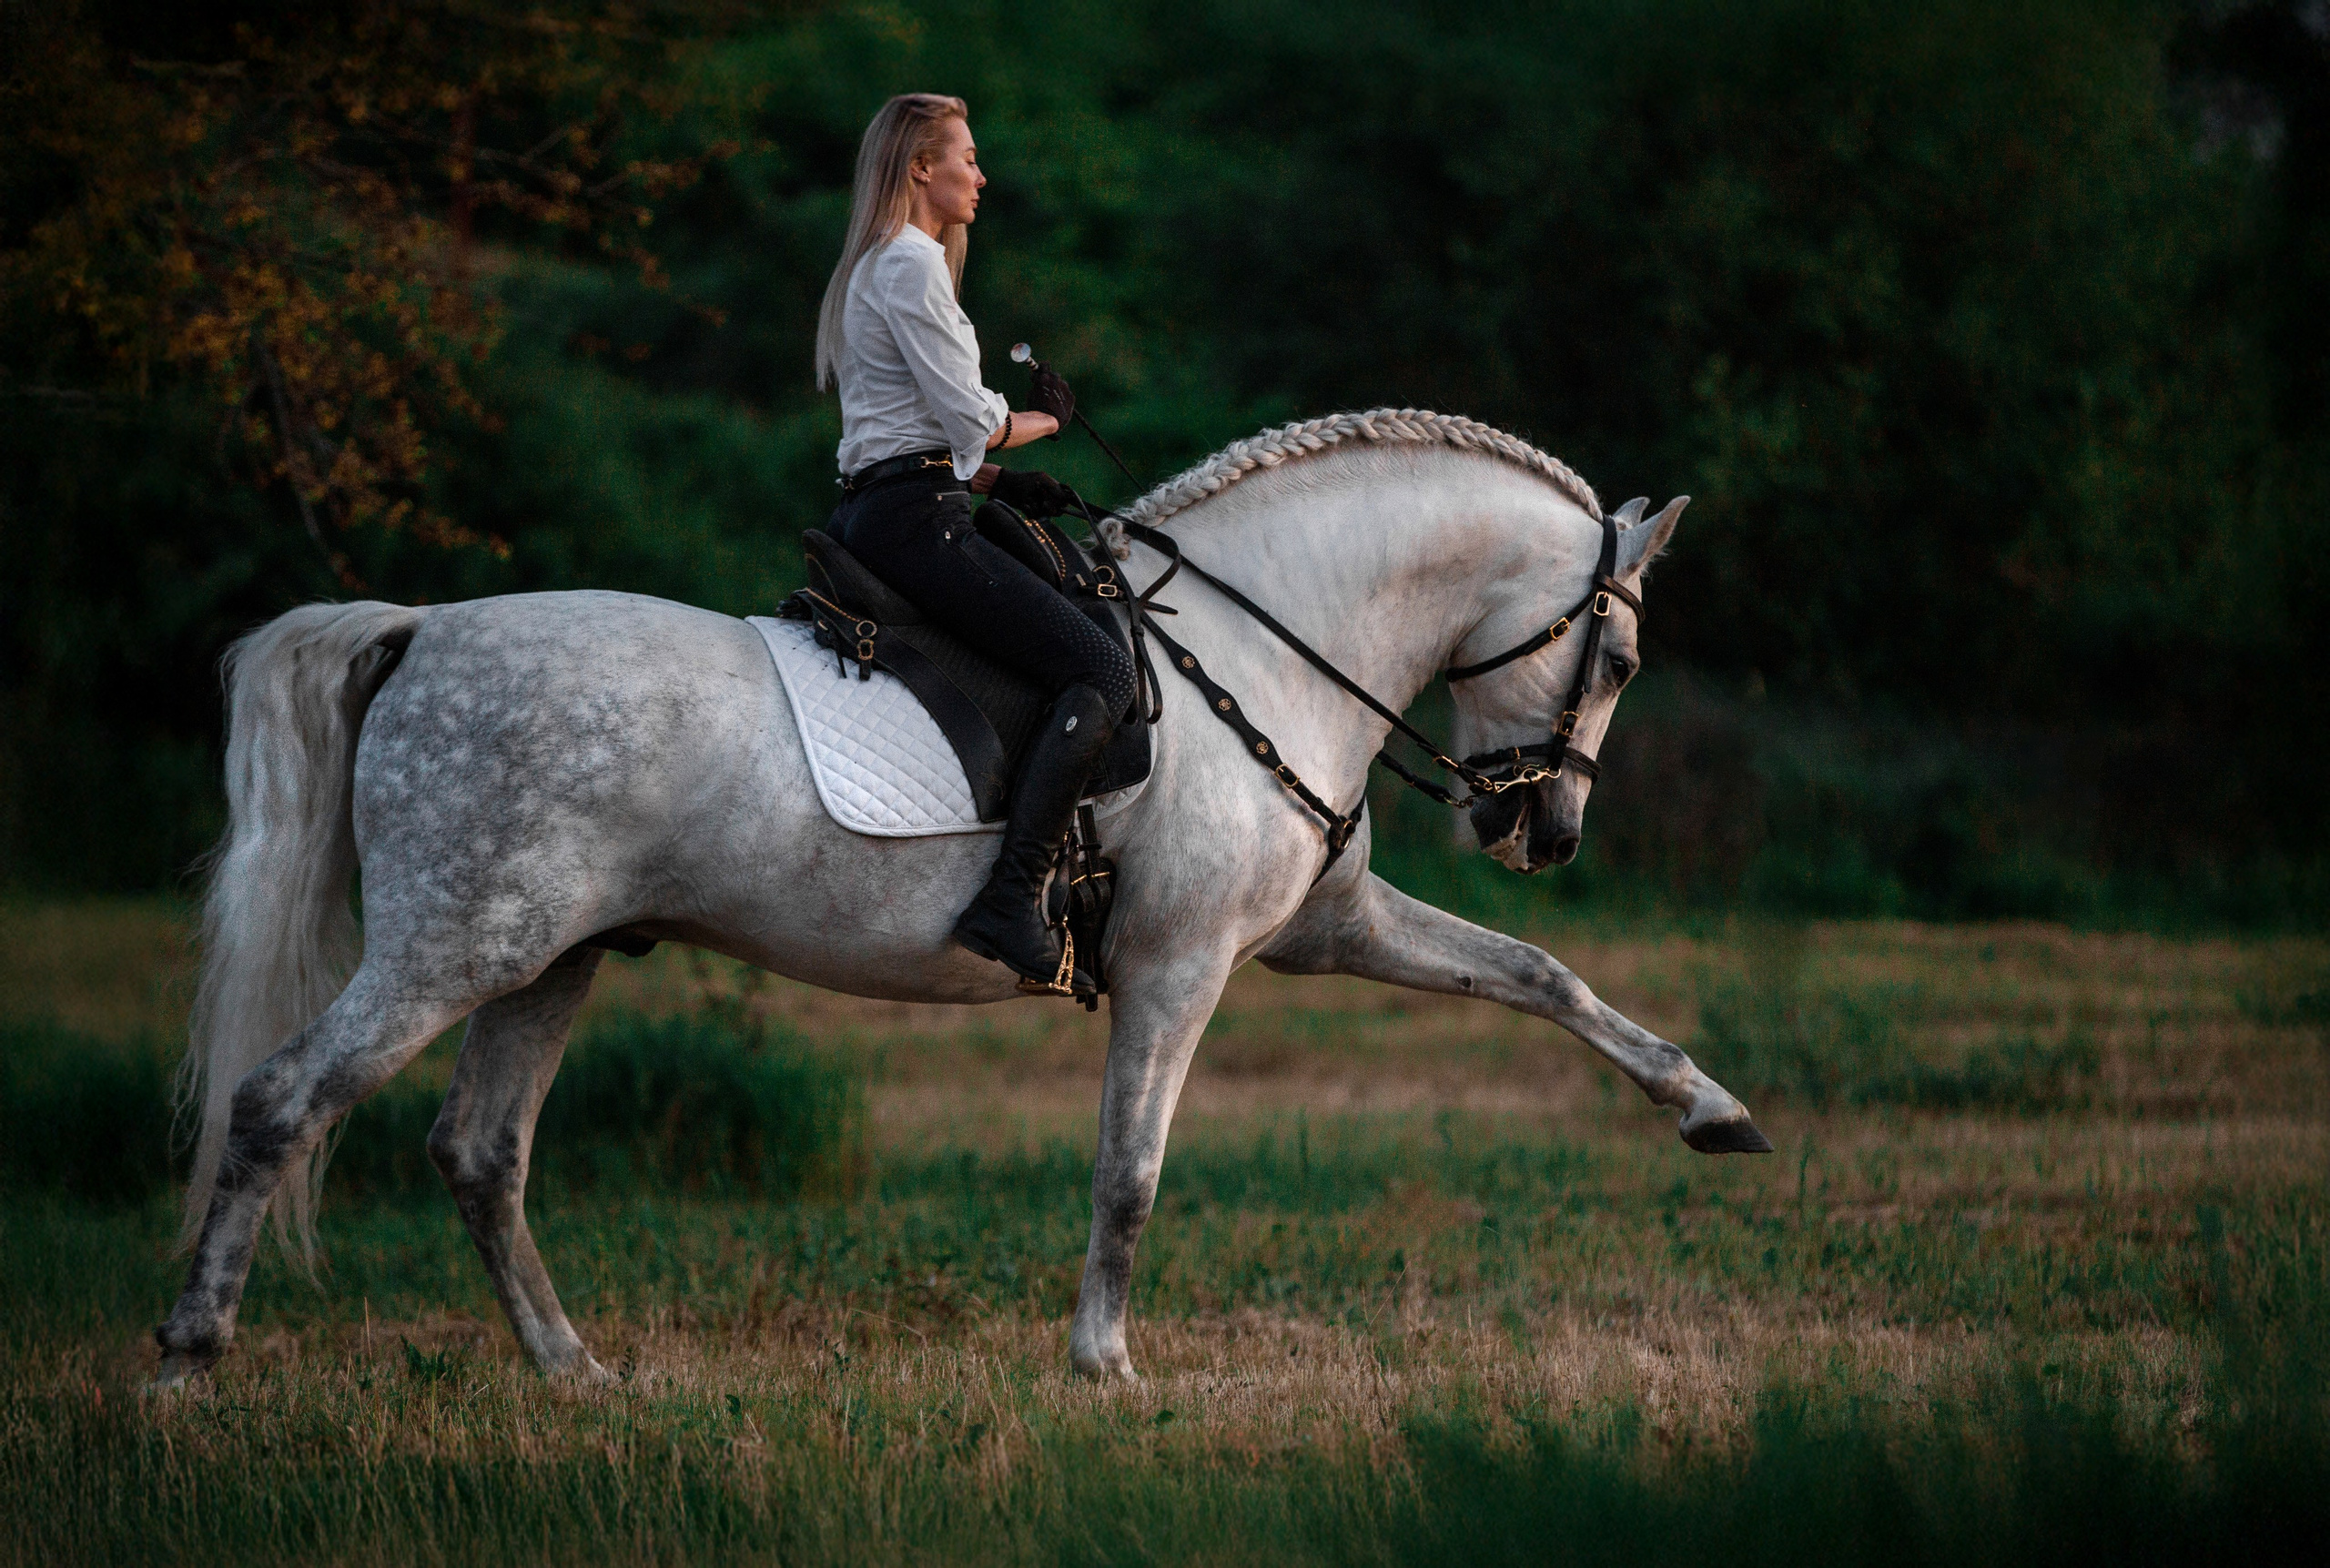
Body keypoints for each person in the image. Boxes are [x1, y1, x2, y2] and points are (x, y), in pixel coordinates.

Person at [815, 93, 1135, 986]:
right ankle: (1010, 896)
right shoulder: (910, 266)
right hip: (916, 522)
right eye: (965, 157)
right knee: (1103, 670)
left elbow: (908, 432)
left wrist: (997, 480)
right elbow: (972, 416)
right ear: (921, 168)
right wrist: (1043, 423)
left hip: (890, 501)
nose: (979, 176)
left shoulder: (876, 267)